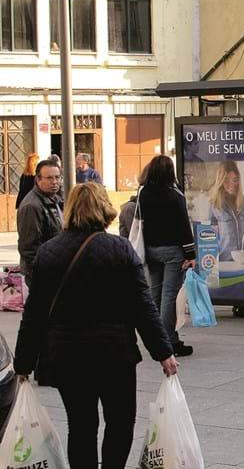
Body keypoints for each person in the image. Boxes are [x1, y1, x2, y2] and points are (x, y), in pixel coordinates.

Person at [13, 182, 178, 469]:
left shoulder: (49, 252)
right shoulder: (121, 249)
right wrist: (164, 352)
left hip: (67, 355)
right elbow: (143, 308)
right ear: (104, 208)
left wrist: (23, 364)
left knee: (80, 424)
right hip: (114, 354)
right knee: (120, 421)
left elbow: (34, 314)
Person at [139, 155, 196, 357]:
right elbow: (183, 226)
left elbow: (139, 222)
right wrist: (191, 254)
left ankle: (156, 338)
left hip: (152, 250)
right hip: (173, 251)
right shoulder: (175, 195)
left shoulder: (143, 193)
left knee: (156, 293)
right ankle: (169, 341)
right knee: (169, 296)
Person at [17, 159, 63, 287]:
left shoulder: (54, 199)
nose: (54, 182)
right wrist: (39, 273)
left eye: (57, 177)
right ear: (38, 179)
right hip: (43, 273)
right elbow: (28, 247)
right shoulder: (32, 206)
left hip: (55, 268)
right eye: (49, 178)